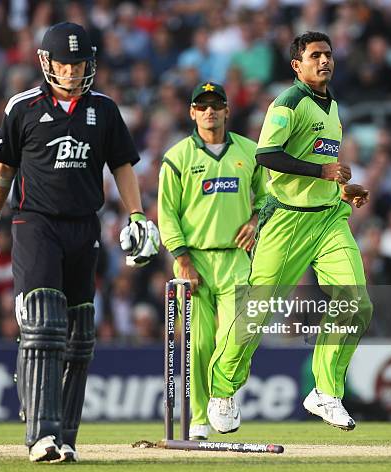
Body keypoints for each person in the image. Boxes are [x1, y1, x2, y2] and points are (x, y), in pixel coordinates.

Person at [0, 22, 159, 463]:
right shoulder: (23, 107)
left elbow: (123, 166)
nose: (72, 72)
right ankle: (40, 435)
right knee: (43, 324)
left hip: (84, 226)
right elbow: (1, 170)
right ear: (46, 63)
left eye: (80, 64)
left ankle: (66, 436)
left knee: (80, 336)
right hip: (36, 224)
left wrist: (136, 215)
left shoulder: (104, 110)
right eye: (64, 64)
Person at [206, 31, 372, 433]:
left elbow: (321, 161)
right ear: (297, 65)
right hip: (286, 222)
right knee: (256, 315)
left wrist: (341, 188)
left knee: (356, 303)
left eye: (328, 54)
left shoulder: (331, 106)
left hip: (328, 218)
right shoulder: (289, 103)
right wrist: (323, 172)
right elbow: (267, 155)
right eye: (315, 55)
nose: (324, 61)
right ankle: (222, 391)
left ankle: (326, 392)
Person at [158, 81, 267, 439]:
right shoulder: (177, 158)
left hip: (237, 257)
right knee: (200, 344)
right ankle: (200, 421)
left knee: (238, 334)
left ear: (226, 110)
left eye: (216, 105)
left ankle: (224, 395)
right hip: (194, 261)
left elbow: (270, 195)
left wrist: (255, 221)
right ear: (192, 112)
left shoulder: (250, 152)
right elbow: (167, 213)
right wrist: (182, 258)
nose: (209, 112)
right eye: (202, 106)